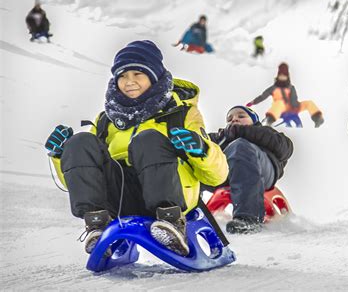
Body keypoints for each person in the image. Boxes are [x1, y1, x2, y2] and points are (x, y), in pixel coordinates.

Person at [44, 40, 228, 256]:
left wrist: (201, 149)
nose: (128, 82)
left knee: (147, 139)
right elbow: (80, 180)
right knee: (80, 142)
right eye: (122, 75)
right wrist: (60, 155)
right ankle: (98, 226)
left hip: (170, 195)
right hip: (120, 200)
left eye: (137, 74)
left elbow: (217, 177)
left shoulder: (181, 114)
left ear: (154, 77)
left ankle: (171, 224)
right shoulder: (105, 121)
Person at [208, 106, 293, 234]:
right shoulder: (220, 137)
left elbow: (285, 149)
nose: (234, 120)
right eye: (230, 119)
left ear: (254, 121)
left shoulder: (264, 132)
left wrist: (243, 132)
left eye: (241, 116)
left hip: (263, 172)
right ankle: (183, 214)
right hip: (223, 174)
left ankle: (248, 219)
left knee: (240, 146)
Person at [247, 63, 324, 127]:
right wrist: (253, 102)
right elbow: (263, 96)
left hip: (294, 107)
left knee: (309, 103)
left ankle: (318, 118)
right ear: (278, 76)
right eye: (281, 75)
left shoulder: (291, 87)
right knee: (279, 103)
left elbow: (294, 98)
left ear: (287, 77)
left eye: (284, 76)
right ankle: (269, 119)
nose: (282, 77)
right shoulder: (273, 88)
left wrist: (295, 106)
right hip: (281, 109)